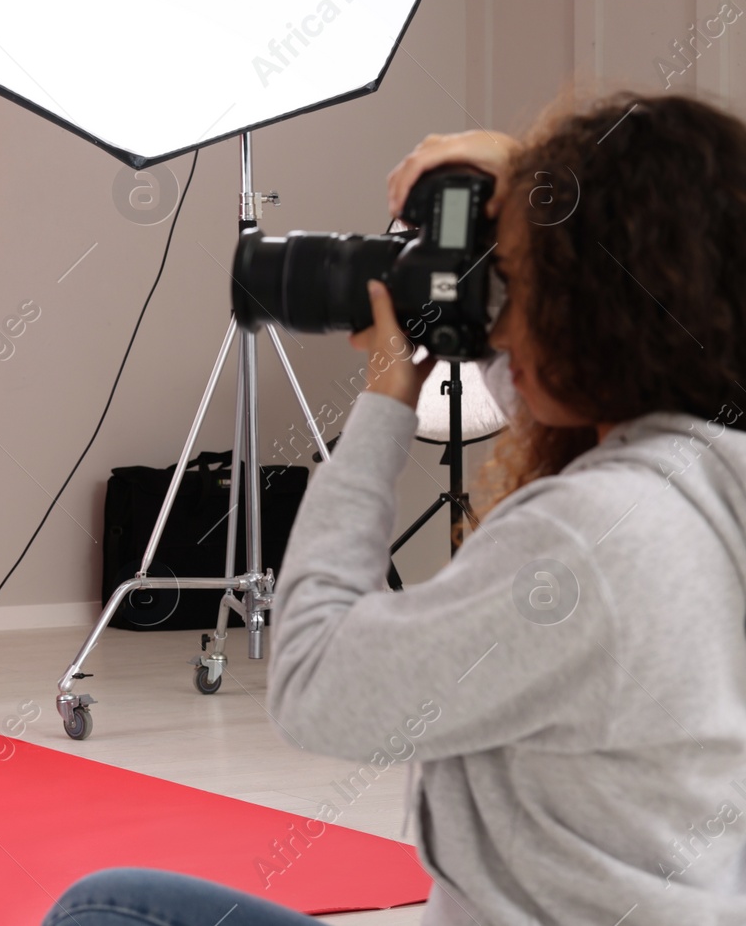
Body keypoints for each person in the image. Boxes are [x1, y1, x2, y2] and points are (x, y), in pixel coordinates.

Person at [42, 91, 746, 924]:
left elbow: (312, 685)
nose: (502, 322)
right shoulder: (710, 476)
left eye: (518, 283)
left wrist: (387, 396)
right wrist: (517, 185)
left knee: (112, 909)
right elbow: (553, 368)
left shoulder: (588, 540)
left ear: (597, 307)